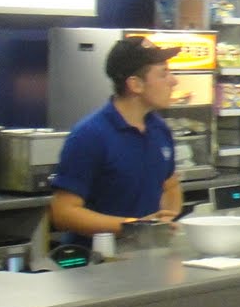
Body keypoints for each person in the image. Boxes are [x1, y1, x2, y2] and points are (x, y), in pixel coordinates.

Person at [49, 35, 185, 249]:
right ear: (135, 84)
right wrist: (133, 226)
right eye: (163, 74)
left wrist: (165, 220)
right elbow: (64, 213)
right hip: (97, 259)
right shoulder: (90, 135)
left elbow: (170, 185)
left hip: (146, 255)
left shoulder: (159, 129)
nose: (174, 81)